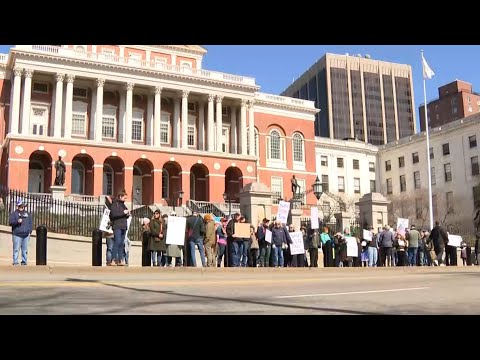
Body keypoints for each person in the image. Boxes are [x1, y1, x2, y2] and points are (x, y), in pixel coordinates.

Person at [9, 199, 33, 266]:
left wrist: (30, 231)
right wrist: (17, 221)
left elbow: (30, 222)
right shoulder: (14, 214)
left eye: (22, 205)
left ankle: (24, 262)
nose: (22, 207)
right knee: (16, 249)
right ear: (18, 205)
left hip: (26, 235)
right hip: (17, 234)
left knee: (24, 250)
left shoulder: (27, 214)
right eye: (20, 205)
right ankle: (15, 262)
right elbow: (10, 222)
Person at [109, 190, 130, 266]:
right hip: (117, 226)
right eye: (124, 198)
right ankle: (113, 259)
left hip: (123, 226)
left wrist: (127, 214)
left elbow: (125, 214)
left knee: (122, 243)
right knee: (117, 242)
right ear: (120, 197)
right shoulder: (115, 205)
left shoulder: (123, 205)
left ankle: (120, 259)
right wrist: (123, 213)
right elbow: (114, 214)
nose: (125, 199)